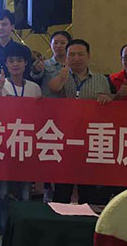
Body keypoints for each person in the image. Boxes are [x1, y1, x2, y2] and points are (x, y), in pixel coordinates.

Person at [49, 39, 114, 205]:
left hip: (90, 138)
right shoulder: (60, 75)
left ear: (89, 56)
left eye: (80, 54)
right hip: (65, 137)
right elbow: (53, 89)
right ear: (66, 57)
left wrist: (106, 98)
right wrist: (62, 78)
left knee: (88, 188)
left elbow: (108, 108)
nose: (76, 58)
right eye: (71, 55)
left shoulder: (101, 79)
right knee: (62, 188)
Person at [0, 42, 41, 246]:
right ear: (6, 63)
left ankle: (22, 234)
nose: (16, 64)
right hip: (3, 145)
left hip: (26, 146)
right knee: (1, 193)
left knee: (25, 194)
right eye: (11, 61)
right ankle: (2, 234)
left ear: (26, 63)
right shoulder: (0, 84)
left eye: (19, 60)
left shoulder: (34, 88)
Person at [39, 30, 71, 98]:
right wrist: (36, 70)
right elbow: (36, 76)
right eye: (55, 43)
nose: (58, 46)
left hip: (69, 101)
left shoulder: (73, 65)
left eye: (62, 43)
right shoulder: (45, 64)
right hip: (49, 101)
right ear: (50, 44)